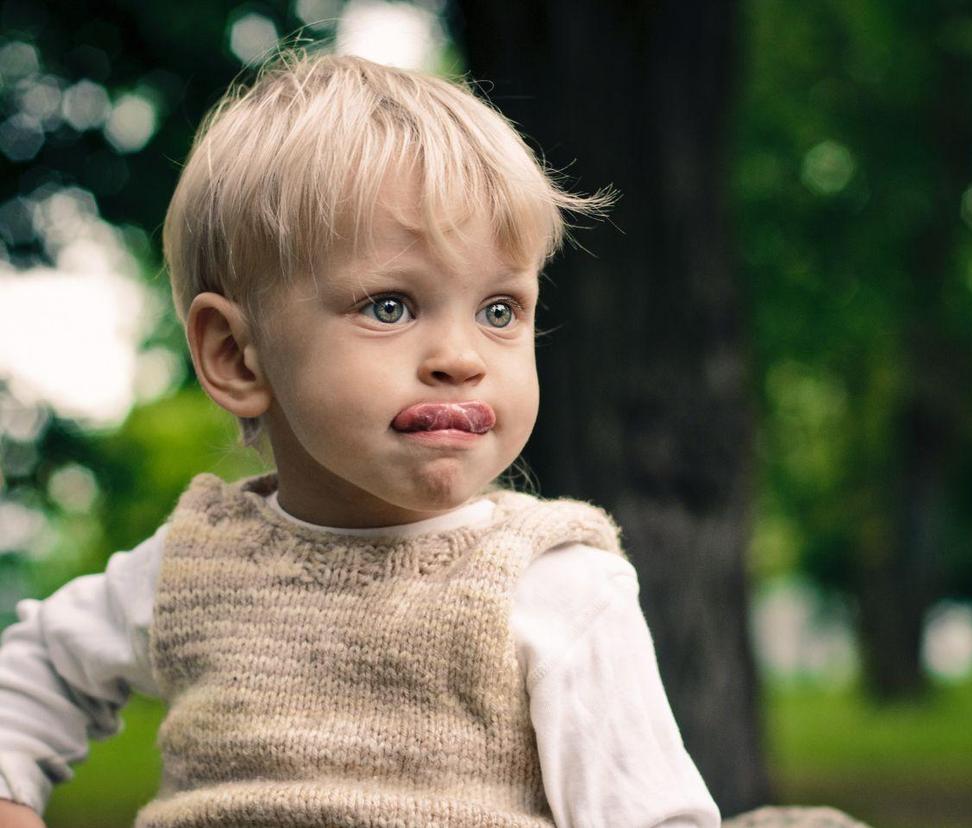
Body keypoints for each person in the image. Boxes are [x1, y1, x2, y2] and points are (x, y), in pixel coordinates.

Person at [0, 52, 721, 827]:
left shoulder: (555, 587)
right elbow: (40, 666)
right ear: (237, 356)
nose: (462, 358)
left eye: (500, 310)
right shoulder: (194, 567)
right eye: (389, 306)